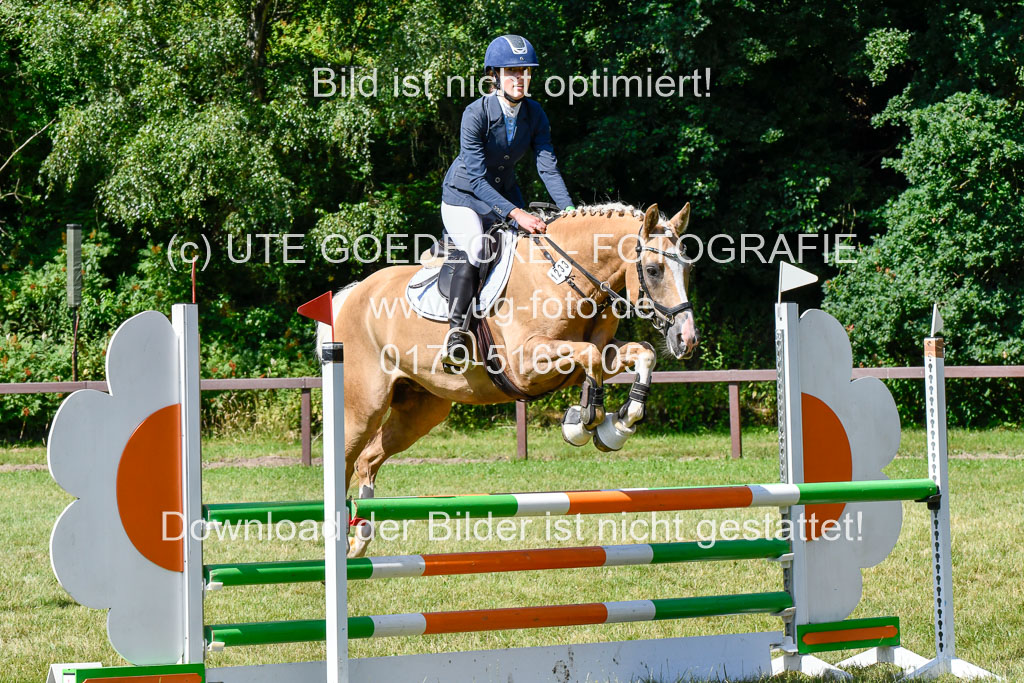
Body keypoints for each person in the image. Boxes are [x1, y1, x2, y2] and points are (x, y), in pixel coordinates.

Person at [439, 34, 575, 368]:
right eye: (512, 71)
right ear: (494, 75)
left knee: (533, 247)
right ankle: (456, 333)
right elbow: (476, 179)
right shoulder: (475, 113)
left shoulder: (535, 113)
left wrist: (571, 211)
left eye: (526, 72)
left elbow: (547, 167)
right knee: (478, 247)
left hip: (503, 195)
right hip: (463, 196)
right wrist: (517, 213)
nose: (520, 78)